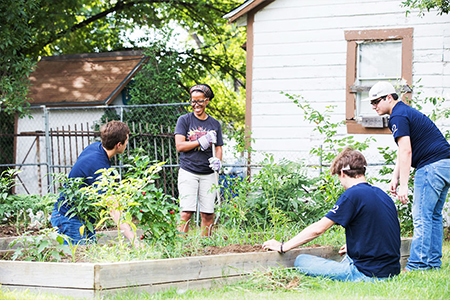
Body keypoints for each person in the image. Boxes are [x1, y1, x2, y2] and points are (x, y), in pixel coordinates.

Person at [263, 148, 401, 282]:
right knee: (345, 257)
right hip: (391, 272)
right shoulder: (382, 195)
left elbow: (319, 229)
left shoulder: (352, 195)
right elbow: (383, 228)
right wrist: (358, 245)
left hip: (366, 274)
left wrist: (283, 246)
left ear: (342, 173)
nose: (341, 183)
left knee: (301, 260)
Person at [367, 81, 450, 271]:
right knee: (434, 216)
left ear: (389, 97)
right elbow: (404, 149)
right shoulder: (404, 112)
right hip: (445, 164)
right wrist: (395, 177)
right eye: (371, 103)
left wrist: (404, 185)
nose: (373, 106)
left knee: (421, 217)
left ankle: (417, 265)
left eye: (376, 101)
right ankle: (433, 263)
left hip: (431, 167)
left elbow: (406, 151)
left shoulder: (397, 116)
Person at [51, 120, 140, 246]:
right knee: (79, 260)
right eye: (126, 141)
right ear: (118, 145)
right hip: (69, 218)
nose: (127, 144)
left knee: (90, 254)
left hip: (79, 217)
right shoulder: (99, 167)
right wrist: (134, 240)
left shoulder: (95, 148)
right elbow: (113, 208)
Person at [175, 84, 223, 237]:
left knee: (208, 214)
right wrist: (200, 141)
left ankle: (205, 247)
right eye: (193, 101)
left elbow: (219, 147)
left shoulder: (214, 124)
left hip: (208, 173)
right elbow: (180, 145)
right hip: (188, 171)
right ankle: (181, 247)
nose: (196, 105)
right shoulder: (184, 120)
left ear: (207, 101)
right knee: (186, 212)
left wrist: (218, 161)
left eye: (200, 101)